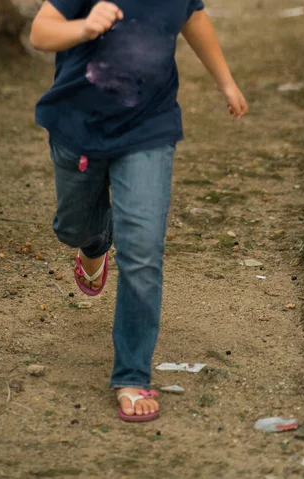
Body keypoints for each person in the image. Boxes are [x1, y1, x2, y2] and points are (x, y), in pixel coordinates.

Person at [30, 0, 248, 422]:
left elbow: (193, 18)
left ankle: (131, 375)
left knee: (144, 250)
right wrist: (84, 28)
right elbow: (41, 32)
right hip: (78, 127)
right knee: (75, 227)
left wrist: (226, 82)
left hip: (150, 127)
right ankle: (94, 244)